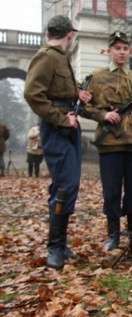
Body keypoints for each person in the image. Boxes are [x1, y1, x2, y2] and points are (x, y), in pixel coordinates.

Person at [23, 15, 92, 270]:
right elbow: (32, 94)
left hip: (67, 127)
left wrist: (78, 93)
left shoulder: (61, 57)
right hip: (57, 128)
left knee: (68, 185)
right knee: (65, 186)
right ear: (70, 35)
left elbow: (58, 91)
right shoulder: (48, 56)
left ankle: (60, 244)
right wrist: (61, 119)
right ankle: (54, 247)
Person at [83, 31, 132, 252]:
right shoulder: (95, 77)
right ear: (109, 51)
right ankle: (113, 234)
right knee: (112, 191)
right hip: (110, 144)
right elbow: (82, 105)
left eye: (125, 48)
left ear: (130, 51)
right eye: (117, 48)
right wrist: (103, 115)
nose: (122, 52)